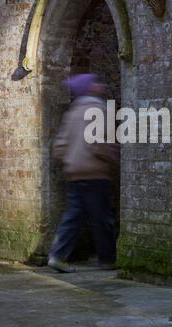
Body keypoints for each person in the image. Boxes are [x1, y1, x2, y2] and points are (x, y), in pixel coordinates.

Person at [48, 73, 119, 273]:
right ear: (90, 88)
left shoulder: (72, 113)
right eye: (96, 83)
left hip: (74, 173)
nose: (100, 86)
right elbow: (100, 143)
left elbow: (59, 146)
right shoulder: (99, 110)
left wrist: (70, 160)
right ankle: (107, 259)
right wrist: (113, 159)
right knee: (102, 218)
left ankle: (58, 255)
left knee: (73, 216)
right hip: (95, 172)